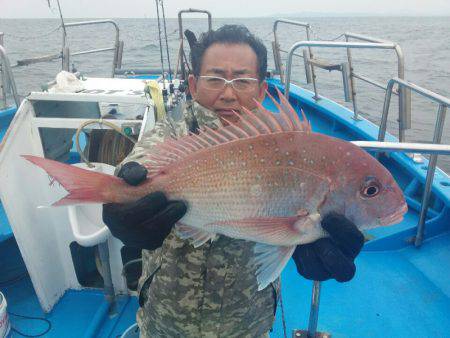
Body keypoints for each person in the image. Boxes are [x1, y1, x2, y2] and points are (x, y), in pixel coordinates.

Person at [103, 25, 364, 337]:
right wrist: (121, 209)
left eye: (242, 80)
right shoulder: (169, 135)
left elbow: (301, 209)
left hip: (247, 323)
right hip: (166, 320)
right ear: (194, 84)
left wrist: (312, 240)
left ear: (262, 89)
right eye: (215, 79)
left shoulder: (290, 149)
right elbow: (139, 165)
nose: (228, 93)